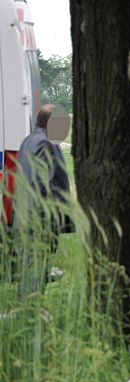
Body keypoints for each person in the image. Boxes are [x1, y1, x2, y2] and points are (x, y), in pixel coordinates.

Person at [14, 104, 71, 297]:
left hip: (24, 215)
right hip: (41, 219)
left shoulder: (28, 141)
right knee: (37, 268)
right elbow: (45, 183)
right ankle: (30, 308)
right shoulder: (48, 143)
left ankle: (27, 307)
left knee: (29, 267)